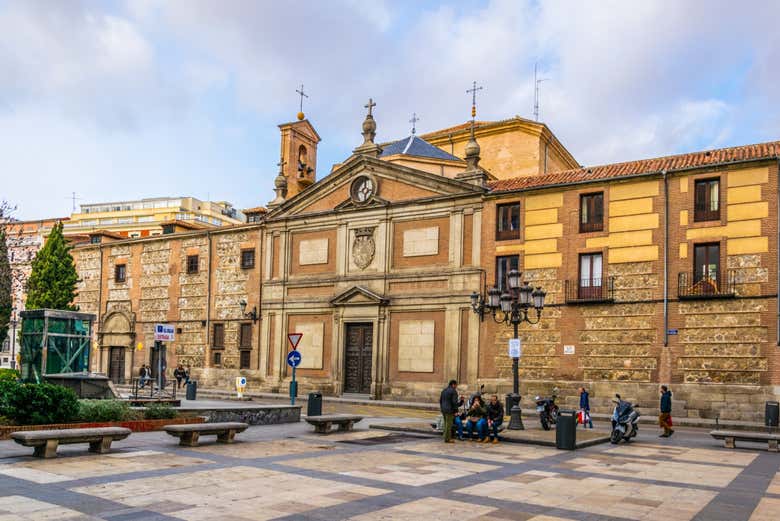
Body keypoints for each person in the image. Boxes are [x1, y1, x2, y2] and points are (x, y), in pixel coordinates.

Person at [439, 379, 462, 443]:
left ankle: (445, 436)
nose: (456, 386)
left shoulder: (444, 390)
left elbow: (440, 401)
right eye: (456, 385)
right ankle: (447, 439)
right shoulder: (453, 391)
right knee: (449, 425)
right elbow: (454, 403)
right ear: (453, 384)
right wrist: (456, 411)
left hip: (443, 410)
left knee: (446, 423)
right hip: (449, 410)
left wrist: (442, 408)